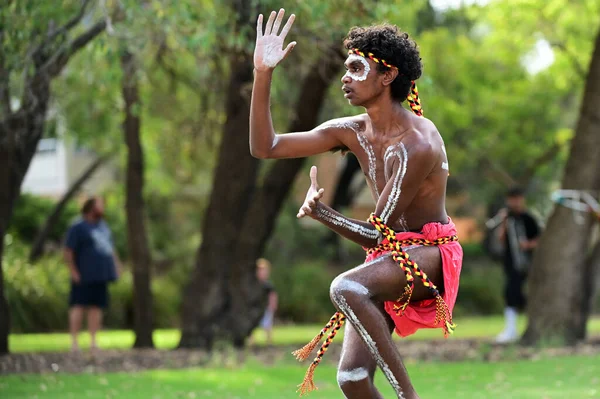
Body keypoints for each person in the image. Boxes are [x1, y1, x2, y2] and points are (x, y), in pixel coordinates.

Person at [250, 9, 462, 399]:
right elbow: (266, 147)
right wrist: (263, 74)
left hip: (430, 252)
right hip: (388, 256)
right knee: (352, 380)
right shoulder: (351, 131)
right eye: (345, 67)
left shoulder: (416, 143)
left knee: (346, 286)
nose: (345, 77)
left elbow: (374, 235)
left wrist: (322, 213)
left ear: (388, 76)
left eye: (356, 68)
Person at [64, 197, 121, 353]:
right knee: (78, 306)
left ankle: (93, 342)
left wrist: (116, 266)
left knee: (96, 308)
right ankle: (74, 343)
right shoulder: (78, 227)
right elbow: (69, 251)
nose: (102, 208)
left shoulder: (103, 227)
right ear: (90, 207)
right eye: (99, 205)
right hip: (83, 275)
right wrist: (73, 271)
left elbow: (111, 249)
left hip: (101, 275)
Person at [489, 187, 540, 343]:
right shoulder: (507, 218)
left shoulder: (529, 218)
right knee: (511, 293)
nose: (514, 202)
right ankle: (511, 330)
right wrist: (504, 222)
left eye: (517, 198)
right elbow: (501, 239)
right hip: (511, 263)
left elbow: (539, 239)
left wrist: (528, 245)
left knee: (525, 295)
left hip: (527, 263)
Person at [255, 258, 278, 346]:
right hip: (256, 308)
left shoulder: (268, 285)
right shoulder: (254, 285)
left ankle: (269, 340)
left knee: (267, 324)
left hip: (266, 308)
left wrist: (273, 305)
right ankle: (251, 340)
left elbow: (272, 295)